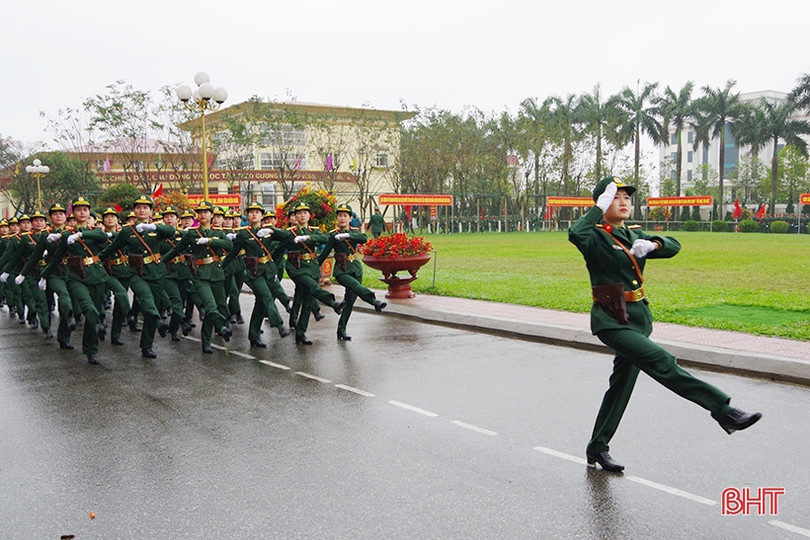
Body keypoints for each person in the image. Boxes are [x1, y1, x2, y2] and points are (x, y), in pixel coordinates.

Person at [568, 176, 762, 473]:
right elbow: (575, 232)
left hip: (639, 318)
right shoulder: (594, 236)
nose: (623, 202)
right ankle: (723, 410)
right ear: (603, 203)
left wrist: (654, 243)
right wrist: (597, 207)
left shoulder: (632, 234)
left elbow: (674, 245)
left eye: (626, 197)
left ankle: (597, 447)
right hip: (611, 321)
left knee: (620, 387)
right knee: (662, 362)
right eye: (615, 197)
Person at [42, 196, 111, 365]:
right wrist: (44, 275)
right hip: (75, 278)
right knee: (90, 310)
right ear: (72, 213)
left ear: (89, 213)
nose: (82, 212)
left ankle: (90, 350)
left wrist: (82, 233)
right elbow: (57, 257)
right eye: (78, 210)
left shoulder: (95, 231)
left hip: (96, 276)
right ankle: (80, 338)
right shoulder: (66, 235)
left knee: (93, 315)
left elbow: (103, 237)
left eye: (85, 210)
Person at [162, 201, 233, 354]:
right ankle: (222, 326)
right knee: (209, 305)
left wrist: (210, 241)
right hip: (199, 275)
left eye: (206, 212)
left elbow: (229, 246)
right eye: (200, 212)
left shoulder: (219, 233)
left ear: (212, 215)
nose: (202, 214)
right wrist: (160, 262)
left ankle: (206, 341)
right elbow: (177, 250)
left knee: (217, 306)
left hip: (216, 273)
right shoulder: (191, 233)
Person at [274, 203, 344, 345]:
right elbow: (278, 251)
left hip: (311, 267)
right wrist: (273, 270)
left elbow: (325, 239)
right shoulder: (290, 233)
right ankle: (333, 302)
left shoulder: (314, 231)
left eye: (305, 213)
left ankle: (301, 333)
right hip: (296, 268)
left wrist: (308, 238)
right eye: (299, 213)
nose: (302, 215)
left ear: (309, 216)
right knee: (313, 287)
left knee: (307, 302)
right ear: (296, 216)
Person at [222, 202, 289, 347]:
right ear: (247, 215)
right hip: (254, 272)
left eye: (257, 212)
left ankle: (253, 335)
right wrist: (222, 267)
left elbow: (287, 236)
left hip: (268, 270)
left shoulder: (268, 231)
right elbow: (233, 253)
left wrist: (272, 232)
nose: (254, 214)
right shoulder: (243, 234)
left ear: (262, 215)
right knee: (266, 296)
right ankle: (279, 325)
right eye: (251, 212)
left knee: (260, 303)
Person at [319, 203, 386, 340]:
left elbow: (364, 238)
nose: (342, 218)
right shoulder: (333, 235)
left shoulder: (354, 232)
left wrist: (347, 236)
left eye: (345, 216)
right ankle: (374, 301)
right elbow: (325, 253)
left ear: (350, 218)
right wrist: (314, 269)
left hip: (355, 268)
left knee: (350, 301)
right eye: (340, 216)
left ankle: (341, 329)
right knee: (356, 286)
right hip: (341, 270)